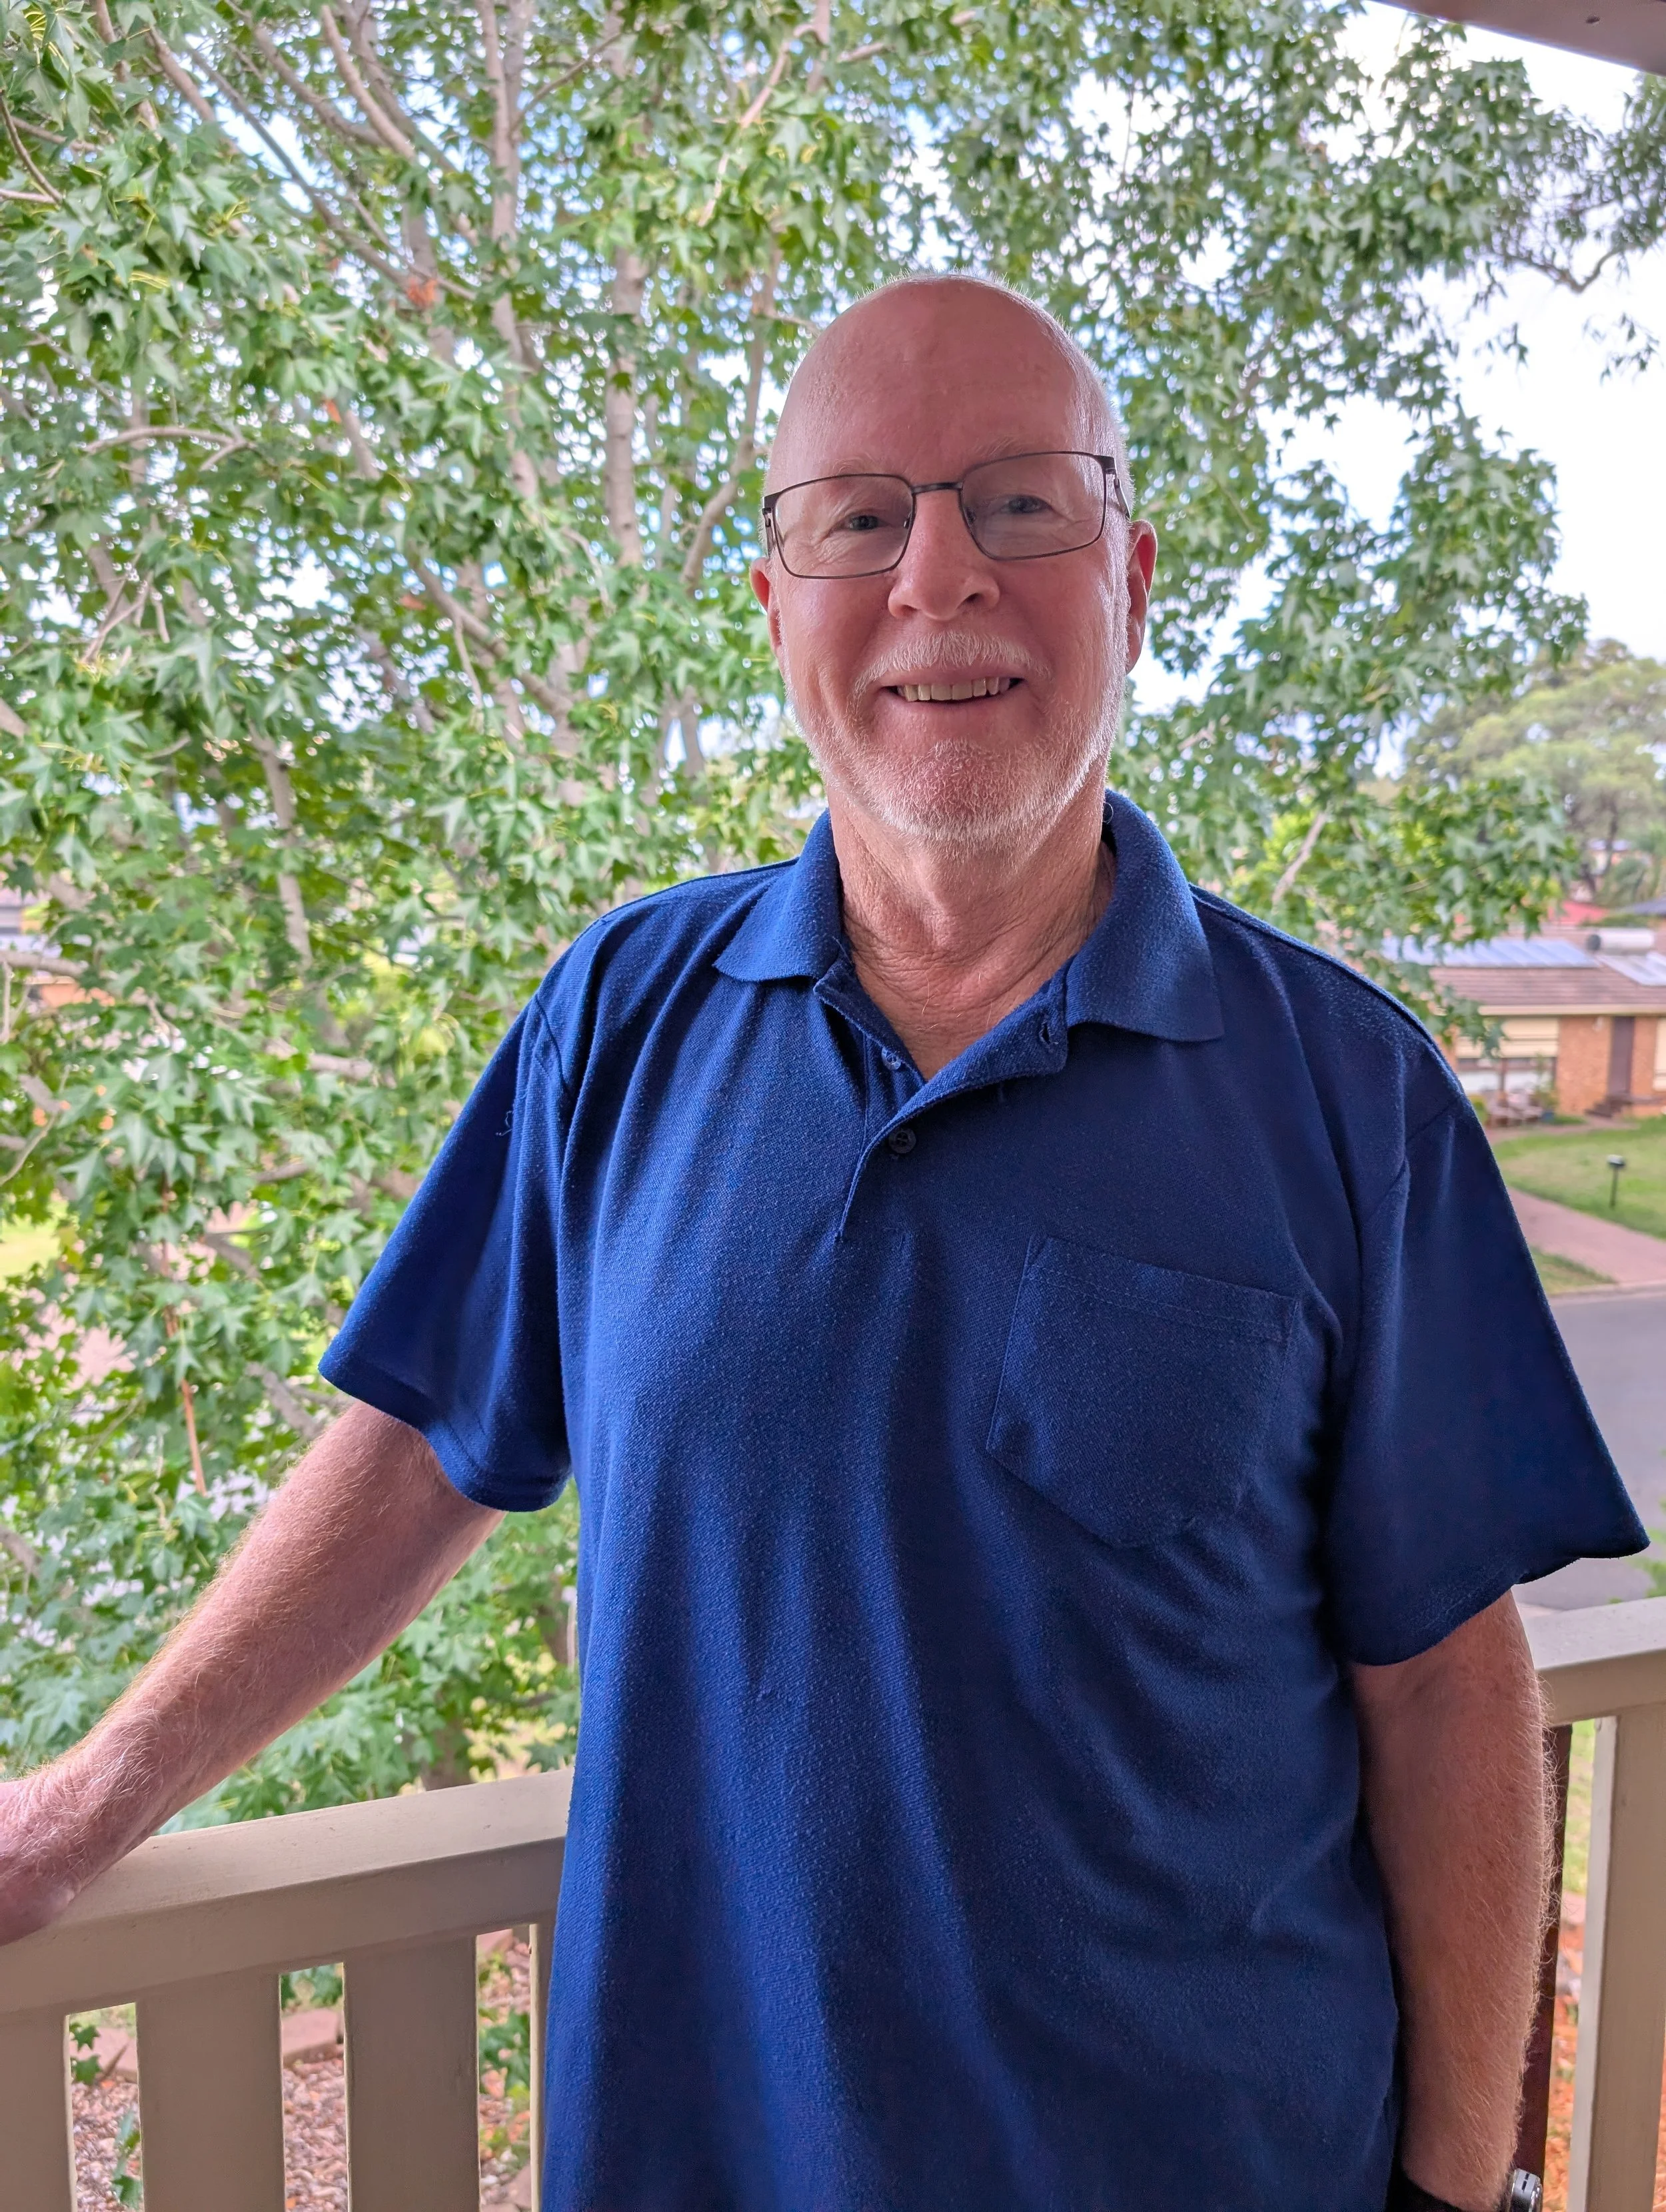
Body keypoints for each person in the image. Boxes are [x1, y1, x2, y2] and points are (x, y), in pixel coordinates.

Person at [0, 275, 1644, 2212]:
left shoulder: (1345, 1096)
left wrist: (1461, 2192)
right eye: (858, 517)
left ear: (1131, 574)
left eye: (1017, 505)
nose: (936, 577)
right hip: (695, 2160)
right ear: (774, 600)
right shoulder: (618, 1018)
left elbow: (1446, 1682)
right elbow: (421, 1448)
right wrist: (74, 1814)